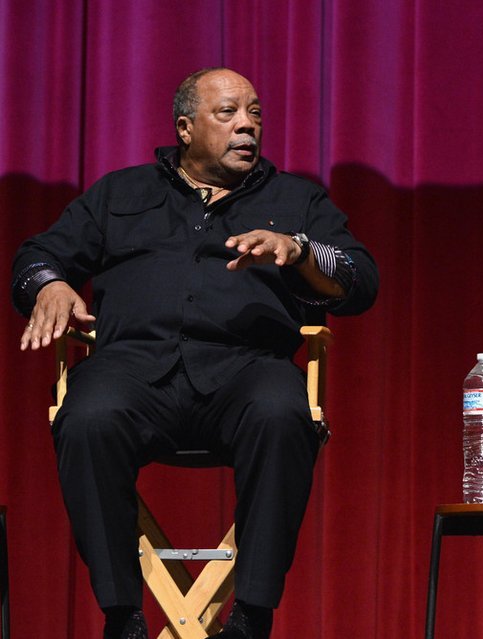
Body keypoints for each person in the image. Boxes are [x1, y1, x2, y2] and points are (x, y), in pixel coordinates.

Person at [11, 68, 378, 639]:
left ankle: (253, 615)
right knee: (86, 416)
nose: (247, 127)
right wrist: (50, 285)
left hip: (247, 372)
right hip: (132, 371)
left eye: (255, 114)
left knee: (284, 411)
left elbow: (360, 282)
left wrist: (300, 250)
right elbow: (36, 256)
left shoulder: (295, 199)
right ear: (185, 128)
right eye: (228, 113)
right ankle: (122, 616)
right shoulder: (121, 193)